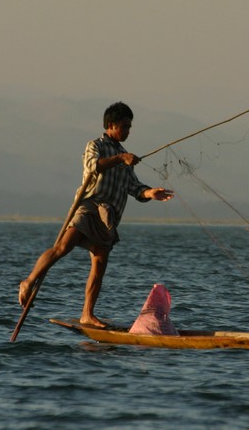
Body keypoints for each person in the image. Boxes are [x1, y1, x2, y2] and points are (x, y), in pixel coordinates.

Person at [18, 102, 173, 327]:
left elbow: (134, 188)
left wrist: (151, 192)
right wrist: (121, 159)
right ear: (111, 125)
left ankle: (87, 314)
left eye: (130, 127)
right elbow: (94, 167)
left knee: (99, 264)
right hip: (89, 208)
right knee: (63, 247)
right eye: (124, 126)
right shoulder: (96, 146)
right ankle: (28, 281)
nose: (128, 131)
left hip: (108, 218)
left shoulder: (124, 156)